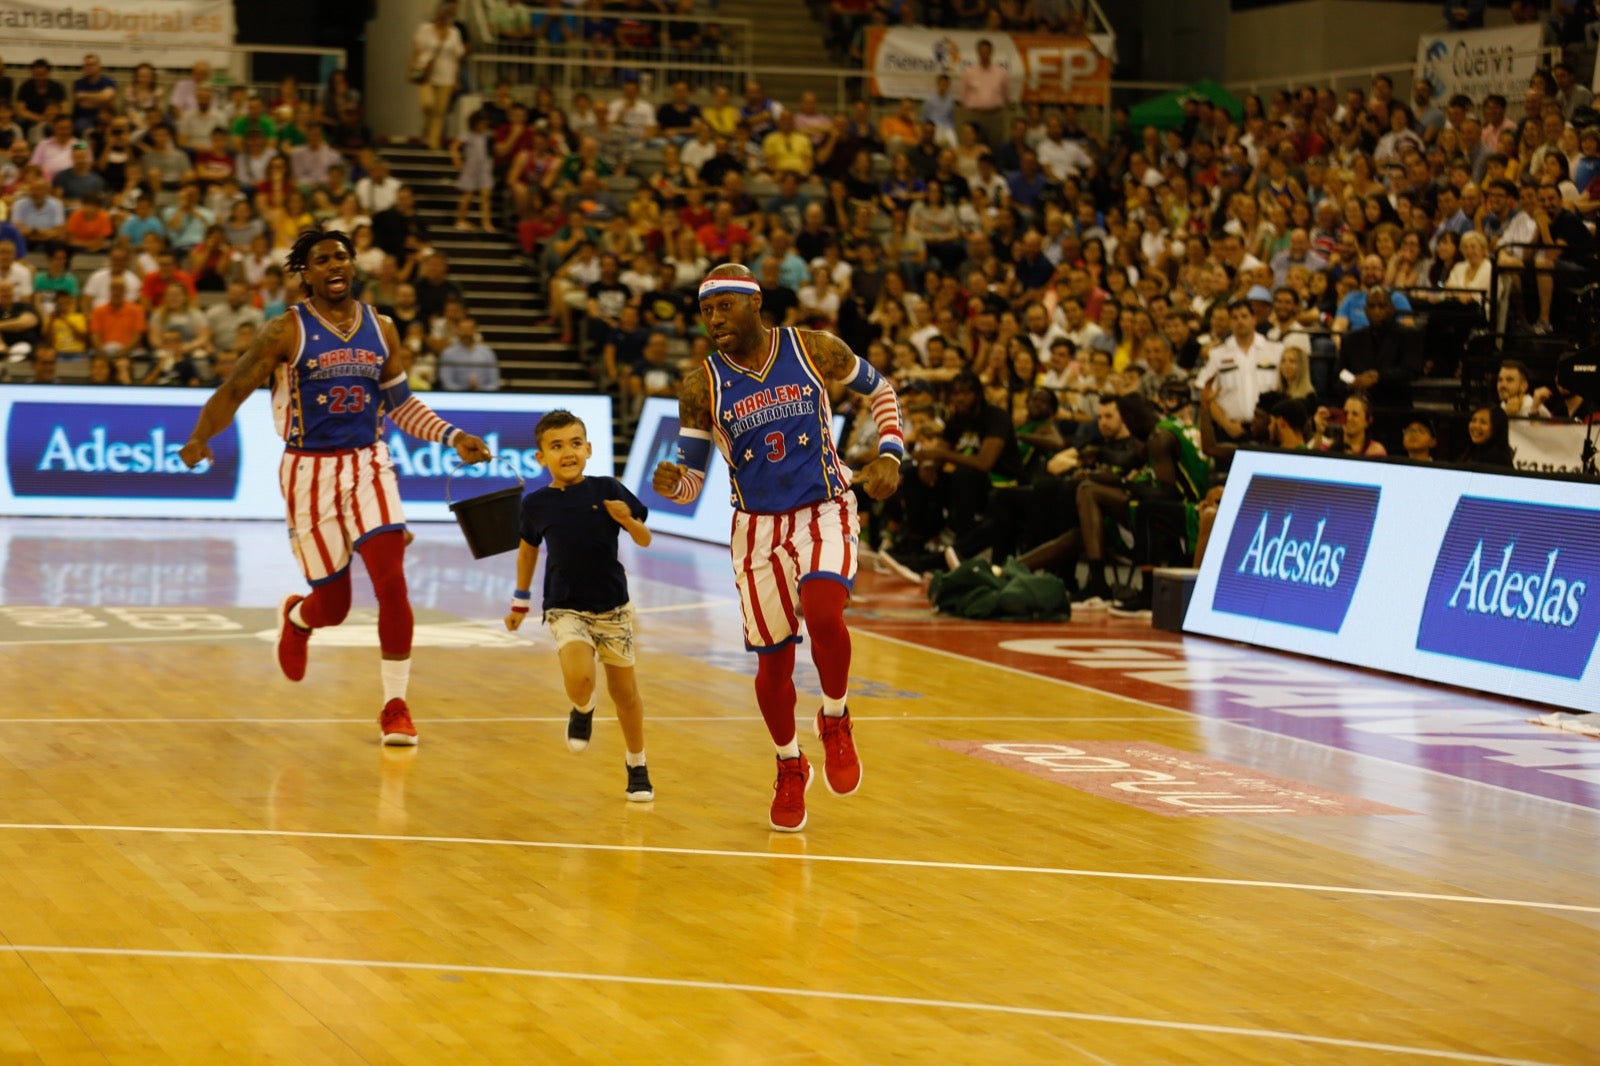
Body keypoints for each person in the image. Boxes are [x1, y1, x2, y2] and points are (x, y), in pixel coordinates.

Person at [179, 228, 492, 745]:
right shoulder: (285, 330)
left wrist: (452, 435)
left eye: (341, 256)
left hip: (369, 464)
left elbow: (401, 405)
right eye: (322, 259)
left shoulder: (382, 328)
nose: (334, 265)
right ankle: (300, 617)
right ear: (306, 272)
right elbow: (235, 389)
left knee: (392, 580)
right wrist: (198, 438)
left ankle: (396, 705)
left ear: (353, 265)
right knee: (336, 606)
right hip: (308, 472)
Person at [651, 265, 904, 832]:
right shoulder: (700, 387)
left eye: (724, 308)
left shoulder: (813, 348)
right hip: (756, 528)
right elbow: (691, 478)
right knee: (774, 665)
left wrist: (890, 453)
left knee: (823, 611)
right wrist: (674, 484)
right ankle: (790, 763)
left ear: (754, 303)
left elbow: (881, 390)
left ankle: (835, 719)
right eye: (707, 311)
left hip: (825, 508)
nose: (714, 319)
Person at [504, 409, 656, 802]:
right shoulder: (535, 504)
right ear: (541, 457)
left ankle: (636, 763)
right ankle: (583, 707)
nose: (567, 452)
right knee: (579, 677)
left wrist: (628, 520)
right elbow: (527, 553)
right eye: (556, 446)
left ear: (588, 448)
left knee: (626, 694)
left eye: (575, 444)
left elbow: (644, 539)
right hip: (564, 606)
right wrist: (520, 601)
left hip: (613, 608)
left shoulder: (608, 488)